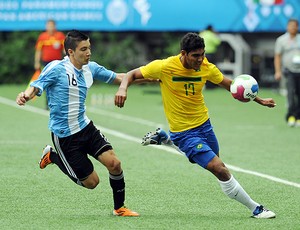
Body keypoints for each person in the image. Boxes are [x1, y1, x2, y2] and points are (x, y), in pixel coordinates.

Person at [114, 32, 276, 219]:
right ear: (184, 53)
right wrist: (122, 88)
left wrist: (259, 100)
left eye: (203, 54)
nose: (200, 59)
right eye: (196, 56)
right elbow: (132, 74)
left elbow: (231, 85)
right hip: (183, 131)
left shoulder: (206, 67)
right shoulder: (165, 66)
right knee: (219, 168)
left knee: (213, 162)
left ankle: (166, 139)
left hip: (204, 125)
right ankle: (256, 208)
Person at [16, 30, 139, 217]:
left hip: (86, 128)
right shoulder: (56, 68)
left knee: (115, 163)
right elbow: (36, 86)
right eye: (83, 49)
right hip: (65, 136)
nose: (88, 52)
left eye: (89, 48)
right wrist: (26, 95)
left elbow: (121, 77)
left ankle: (119, 208)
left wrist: (150, 76)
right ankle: (52, 156)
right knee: (92, 183)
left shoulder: (91, 67)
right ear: (70, 52)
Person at [32, 19, 65, 109]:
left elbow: (65, 50)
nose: (50, 27)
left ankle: (59, 104)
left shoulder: (60, 36)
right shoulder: (42, 36)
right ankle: (48, 104)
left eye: (52, 25)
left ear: (55, 26)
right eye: (48, 25)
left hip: (58, 63)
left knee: (59, 83)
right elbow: (38, 51)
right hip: (46, 63)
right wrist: (37, 62)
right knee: (47, 83)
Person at [274, 18, 300, 127]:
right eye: (291, 26)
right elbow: (278, 56)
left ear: (297, 27)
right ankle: (291, 116)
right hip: (288, 71)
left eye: (295, 26)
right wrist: (278, 71)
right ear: (287, 27)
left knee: (299, 94)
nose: (292, 28)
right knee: (290, 94)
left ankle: (298, 117)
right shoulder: (281, 40)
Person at [200, 25, 221, 89]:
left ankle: (204, 85)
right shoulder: (211, 35)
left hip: (202, 54)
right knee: (211, 69)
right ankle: (211, 86)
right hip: (210, 54)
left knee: (203, 69)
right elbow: (218, 42)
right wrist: (217, 35)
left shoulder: (202, 34)